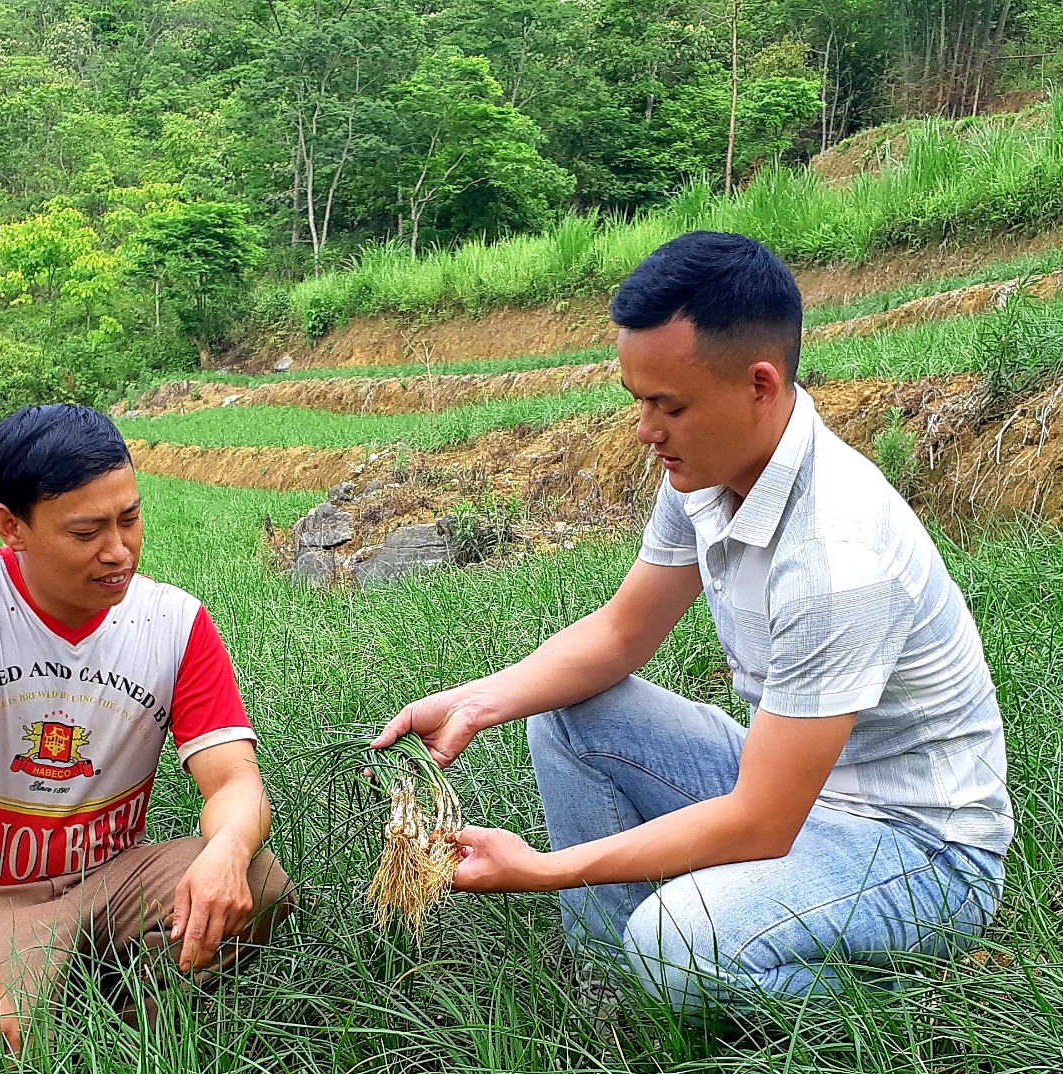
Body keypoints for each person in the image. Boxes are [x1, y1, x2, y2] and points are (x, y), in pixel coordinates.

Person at [375, 231, 1012, 1016]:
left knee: (679, 943)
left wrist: (543, 869)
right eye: (638, 401)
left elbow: (761, 821)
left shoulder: (837, 557)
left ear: (759, 384)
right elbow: (620, 633)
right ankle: (617, 991)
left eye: (667, 405)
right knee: (567, 714)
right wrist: (479, 701)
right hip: (787, 780)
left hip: (914, 847)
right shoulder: (705, 476)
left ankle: (898, 1003)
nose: (646, 431)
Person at [0, 403, 292, 1062]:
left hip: (110, 879)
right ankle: (24, 995)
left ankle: (132, 1040)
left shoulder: (174, 622)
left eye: (129, 518)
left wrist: (227, 849)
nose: (118, 550)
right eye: (86, 530)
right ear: (10, 525)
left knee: (259, 881)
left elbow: (235, 781)